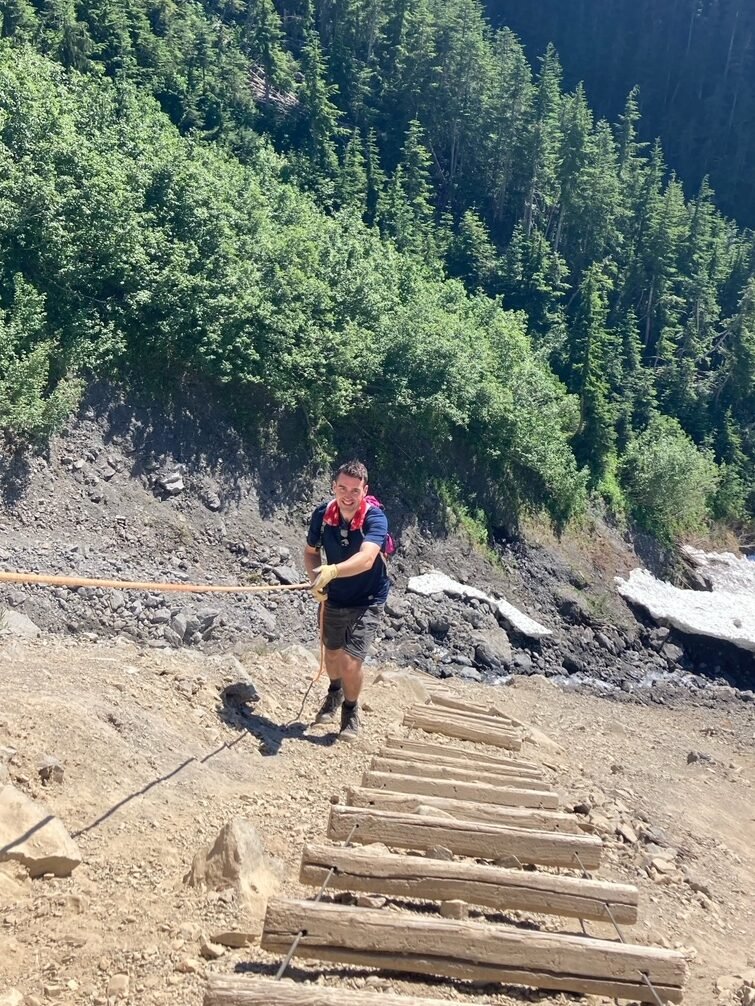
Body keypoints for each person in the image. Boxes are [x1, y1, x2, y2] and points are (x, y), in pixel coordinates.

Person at [304, 460, 391, 742]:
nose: (348, 495)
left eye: (355, 489)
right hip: (336, 596)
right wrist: (316, 580)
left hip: (369, 597)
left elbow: (366, 559)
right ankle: (334, 692)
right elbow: (310, 551)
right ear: (334, 487)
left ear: (365, 491)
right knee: (331, 654)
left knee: (351, 661)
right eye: (342, 487)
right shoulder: (322, 514)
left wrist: (333, 571)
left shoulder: (374, 518)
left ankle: (350, 711)